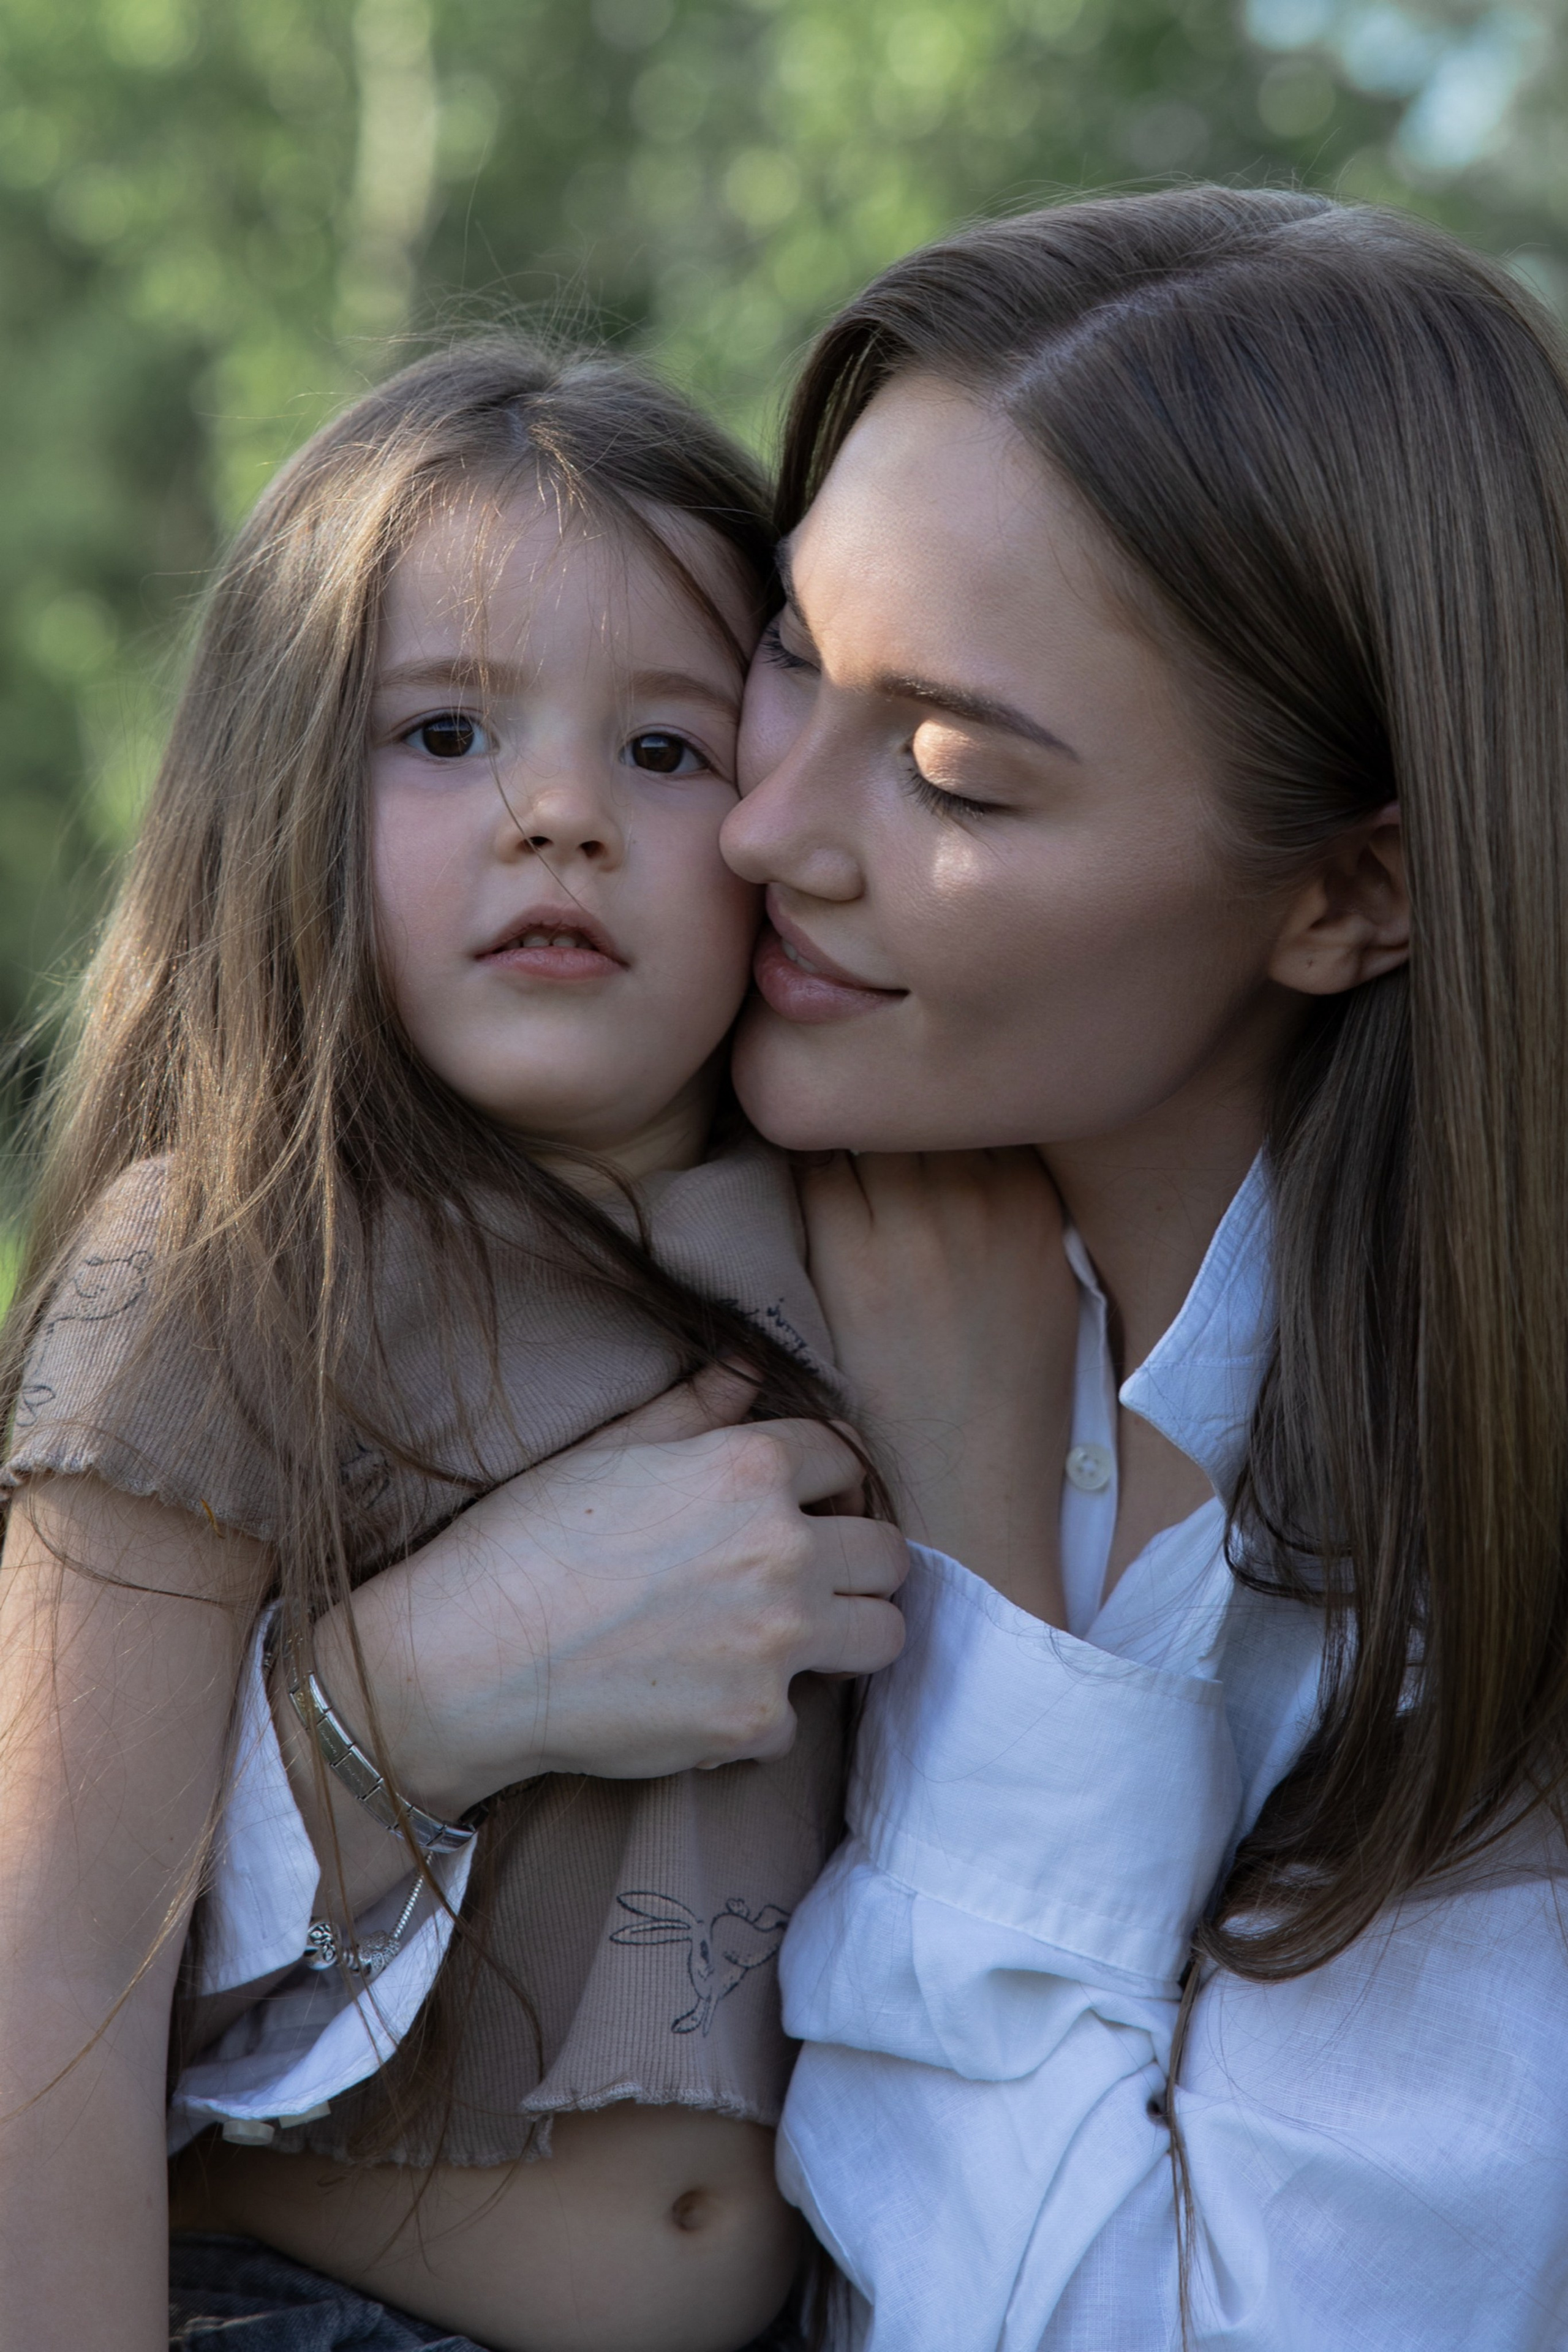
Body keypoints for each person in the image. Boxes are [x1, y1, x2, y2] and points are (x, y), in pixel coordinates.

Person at [205, 185, 1568, 2348]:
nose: (757, 831)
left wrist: (992, 1588)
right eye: (786, 661)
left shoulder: (1487, 1584)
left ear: (1351, 893)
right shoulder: (583, 1136)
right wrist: (406, 1704)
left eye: (948, 769)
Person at [0, 340, 907, 2352]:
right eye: (443, 734)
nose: (562, 814)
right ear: (279, 784)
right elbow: (47, 1980)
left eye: (667, 754)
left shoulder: (888, 1240)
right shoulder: (237, 1258)